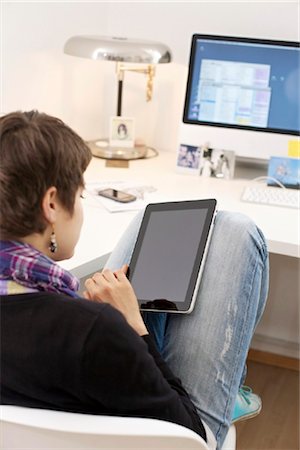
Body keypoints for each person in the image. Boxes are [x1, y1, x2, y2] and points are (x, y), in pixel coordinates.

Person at [0, 111, 269, 450]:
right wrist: (131, 323)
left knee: (149, 223)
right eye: (80, 195)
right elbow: (189, 434)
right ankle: (229, 391)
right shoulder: (92, 329)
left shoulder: (80, 323)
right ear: (51, 204)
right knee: (238, 231)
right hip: (160, 435)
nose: (81, 208)